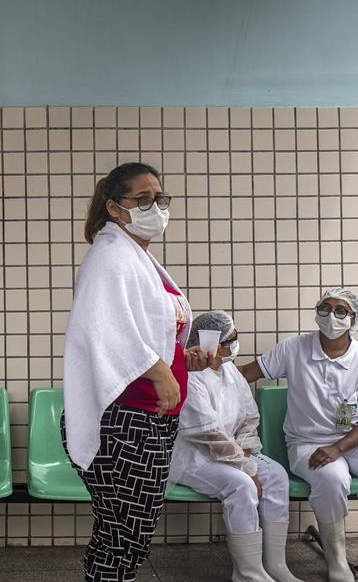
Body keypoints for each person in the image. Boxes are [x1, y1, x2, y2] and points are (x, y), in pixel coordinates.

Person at [61, 162, 213, 582]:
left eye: (160, 198)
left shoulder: (138, 258)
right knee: (124, 535)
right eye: (143, 199)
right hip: (125, 422)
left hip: (148, 420)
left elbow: (146, 330)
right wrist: (160, 371)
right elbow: (98, 327)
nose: (156, 207)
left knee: (128, 532)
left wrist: (183, 358)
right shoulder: (109, 256)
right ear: (114, 207)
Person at [240, 288, 358, 582]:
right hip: (306, 443)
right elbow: (245, 374)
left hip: (356, 440)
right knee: (332, 479)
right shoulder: (293, 349)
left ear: (353, 320)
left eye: (341, 311)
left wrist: (338, 448)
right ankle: (336, 554)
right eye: (325, 308)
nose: (332, 316)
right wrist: (204, 373)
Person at [170, 311, 302, 582]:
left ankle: (276, 565)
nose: (235, 344)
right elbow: (208, 434)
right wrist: (247, 468)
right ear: (211, 342)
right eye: (231, 339)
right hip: (192, 457)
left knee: (276, 476)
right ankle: (249, 573)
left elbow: (249, 417)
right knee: (241, 485)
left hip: (232, 452)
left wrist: (246, 450)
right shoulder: (191, 376)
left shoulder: (230, 370)